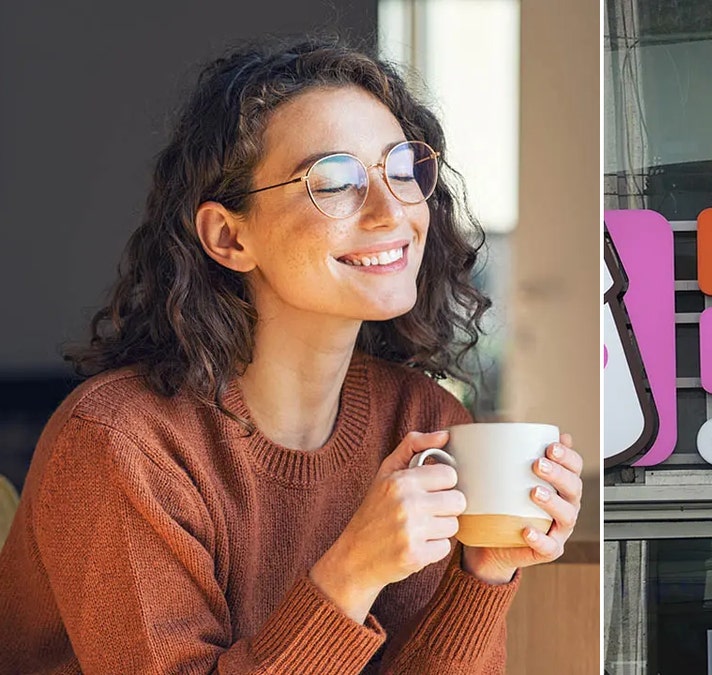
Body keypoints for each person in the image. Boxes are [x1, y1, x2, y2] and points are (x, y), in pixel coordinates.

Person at [0, 37, 584, 674]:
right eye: (334, 182)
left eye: (401, 167)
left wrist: (482, 575)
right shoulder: (122, 444)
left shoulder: (421, 417)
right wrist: (350, 573)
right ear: (229, 236)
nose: (392, 212)